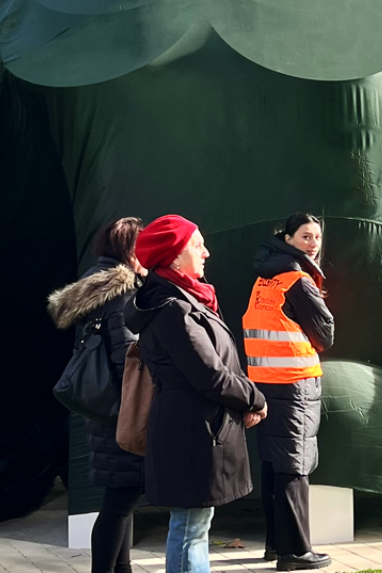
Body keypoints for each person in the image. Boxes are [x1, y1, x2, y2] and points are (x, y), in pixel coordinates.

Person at [124, 215, 266, 573]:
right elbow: (209, 375)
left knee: (195, 525)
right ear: (173, 257)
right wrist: (255, 398)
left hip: (199, 428)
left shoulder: (186, 300)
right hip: (190, 433)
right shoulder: (174, 309)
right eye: (197, 245)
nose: (206, 252)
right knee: (190, 527)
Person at [48, 218, 147, 573]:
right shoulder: (121, 292)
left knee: (122, 498)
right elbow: (126, 356)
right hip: (121, 408)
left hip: (103, 406)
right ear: (129, 250)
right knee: (120, 500)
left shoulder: (98, 286)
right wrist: (136, 409)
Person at [244, 214, 334, 571]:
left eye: (317, 237)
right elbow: (325, 334)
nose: (313, 244)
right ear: (288, 239)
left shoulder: (264, 278)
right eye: (305, 236)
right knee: (295, 466)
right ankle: (295, 552)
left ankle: (275, 544)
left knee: (274, 464)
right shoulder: (298, 280)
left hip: (264, 383)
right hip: (295, 384)